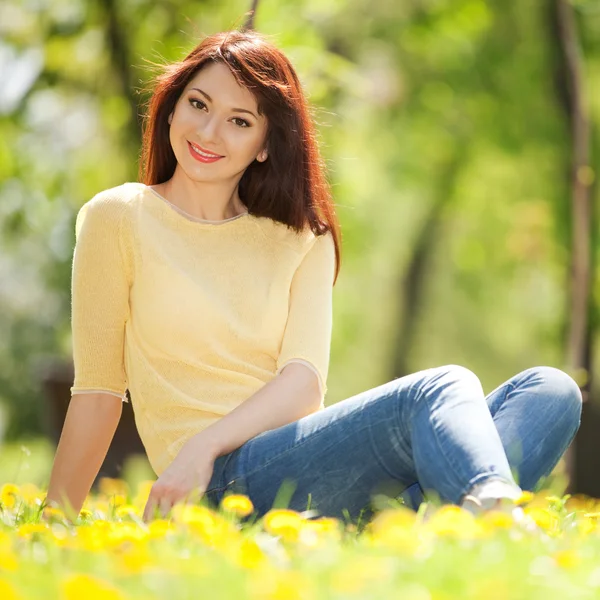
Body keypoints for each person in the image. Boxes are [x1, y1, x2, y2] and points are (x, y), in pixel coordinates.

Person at [45, 29, 582, 526]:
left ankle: (436, 521)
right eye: (198, 104)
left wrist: (203, 443)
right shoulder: (119, 217)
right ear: (171, 108)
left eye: (239, 120)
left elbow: (303, 386)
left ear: (265, 144)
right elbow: (98, 393)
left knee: (552, 392)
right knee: (442, 388)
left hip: (295, 462)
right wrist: (55, 521)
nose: (209, 132)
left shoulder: (304, 238)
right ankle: (487, 517)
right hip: (219, 484)